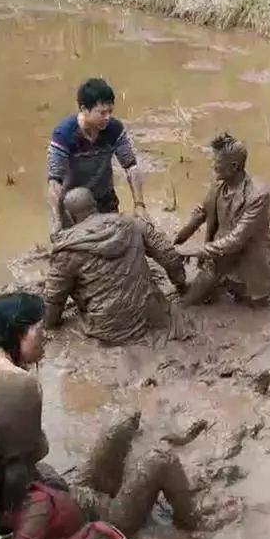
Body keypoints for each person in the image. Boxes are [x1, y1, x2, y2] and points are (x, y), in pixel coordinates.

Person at [0, 293, 197, 539]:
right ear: (18, 334)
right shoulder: (20, 385)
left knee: (105, 449)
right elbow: (19, 479)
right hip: (39, 507)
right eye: (38, 328)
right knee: (160, 460)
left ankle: (116, 452)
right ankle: (198, 528)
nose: (45, 335)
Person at [44, 187, 190, 343]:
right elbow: (168, 255)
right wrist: (181, 285)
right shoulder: (132, 223)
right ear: (95, 205)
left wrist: (50, 324)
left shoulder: (67, 248)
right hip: (151, 315)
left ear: (70, 216)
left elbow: (54, 298)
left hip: (107, 328)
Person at [174, 132, 270, 306]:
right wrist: (177, 241)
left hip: (246, 270)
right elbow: (201, 213)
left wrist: (196, 250)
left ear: (234, 166)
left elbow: (236, 240)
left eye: (217, 163)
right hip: (217, 260)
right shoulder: (219, 184)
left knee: (252, 310)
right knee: (186, 303)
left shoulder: (258, 197)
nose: (213, 165)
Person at [47, 77, 146, 236]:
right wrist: (58, 220)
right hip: (74, 208)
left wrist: (139, 205)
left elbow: (131, 167)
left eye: (110, 112)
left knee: (116, 246)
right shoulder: (64, 134)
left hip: (105, 202)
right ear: (84, 109)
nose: (107, 117)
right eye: (102, 112)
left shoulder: (114, 129)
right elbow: (55, 182)